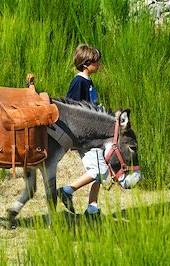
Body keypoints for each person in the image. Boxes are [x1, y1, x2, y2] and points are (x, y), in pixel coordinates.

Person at [57, 44, 107, 217]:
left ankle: (92, 208)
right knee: (97, 170)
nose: (99, 64)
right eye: (96, 61)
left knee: (101, 169)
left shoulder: (88, 81)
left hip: (94, 132)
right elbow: (71, 107)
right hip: (85, 135)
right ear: (86, 64)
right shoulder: (79, 81)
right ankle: (66, 190)